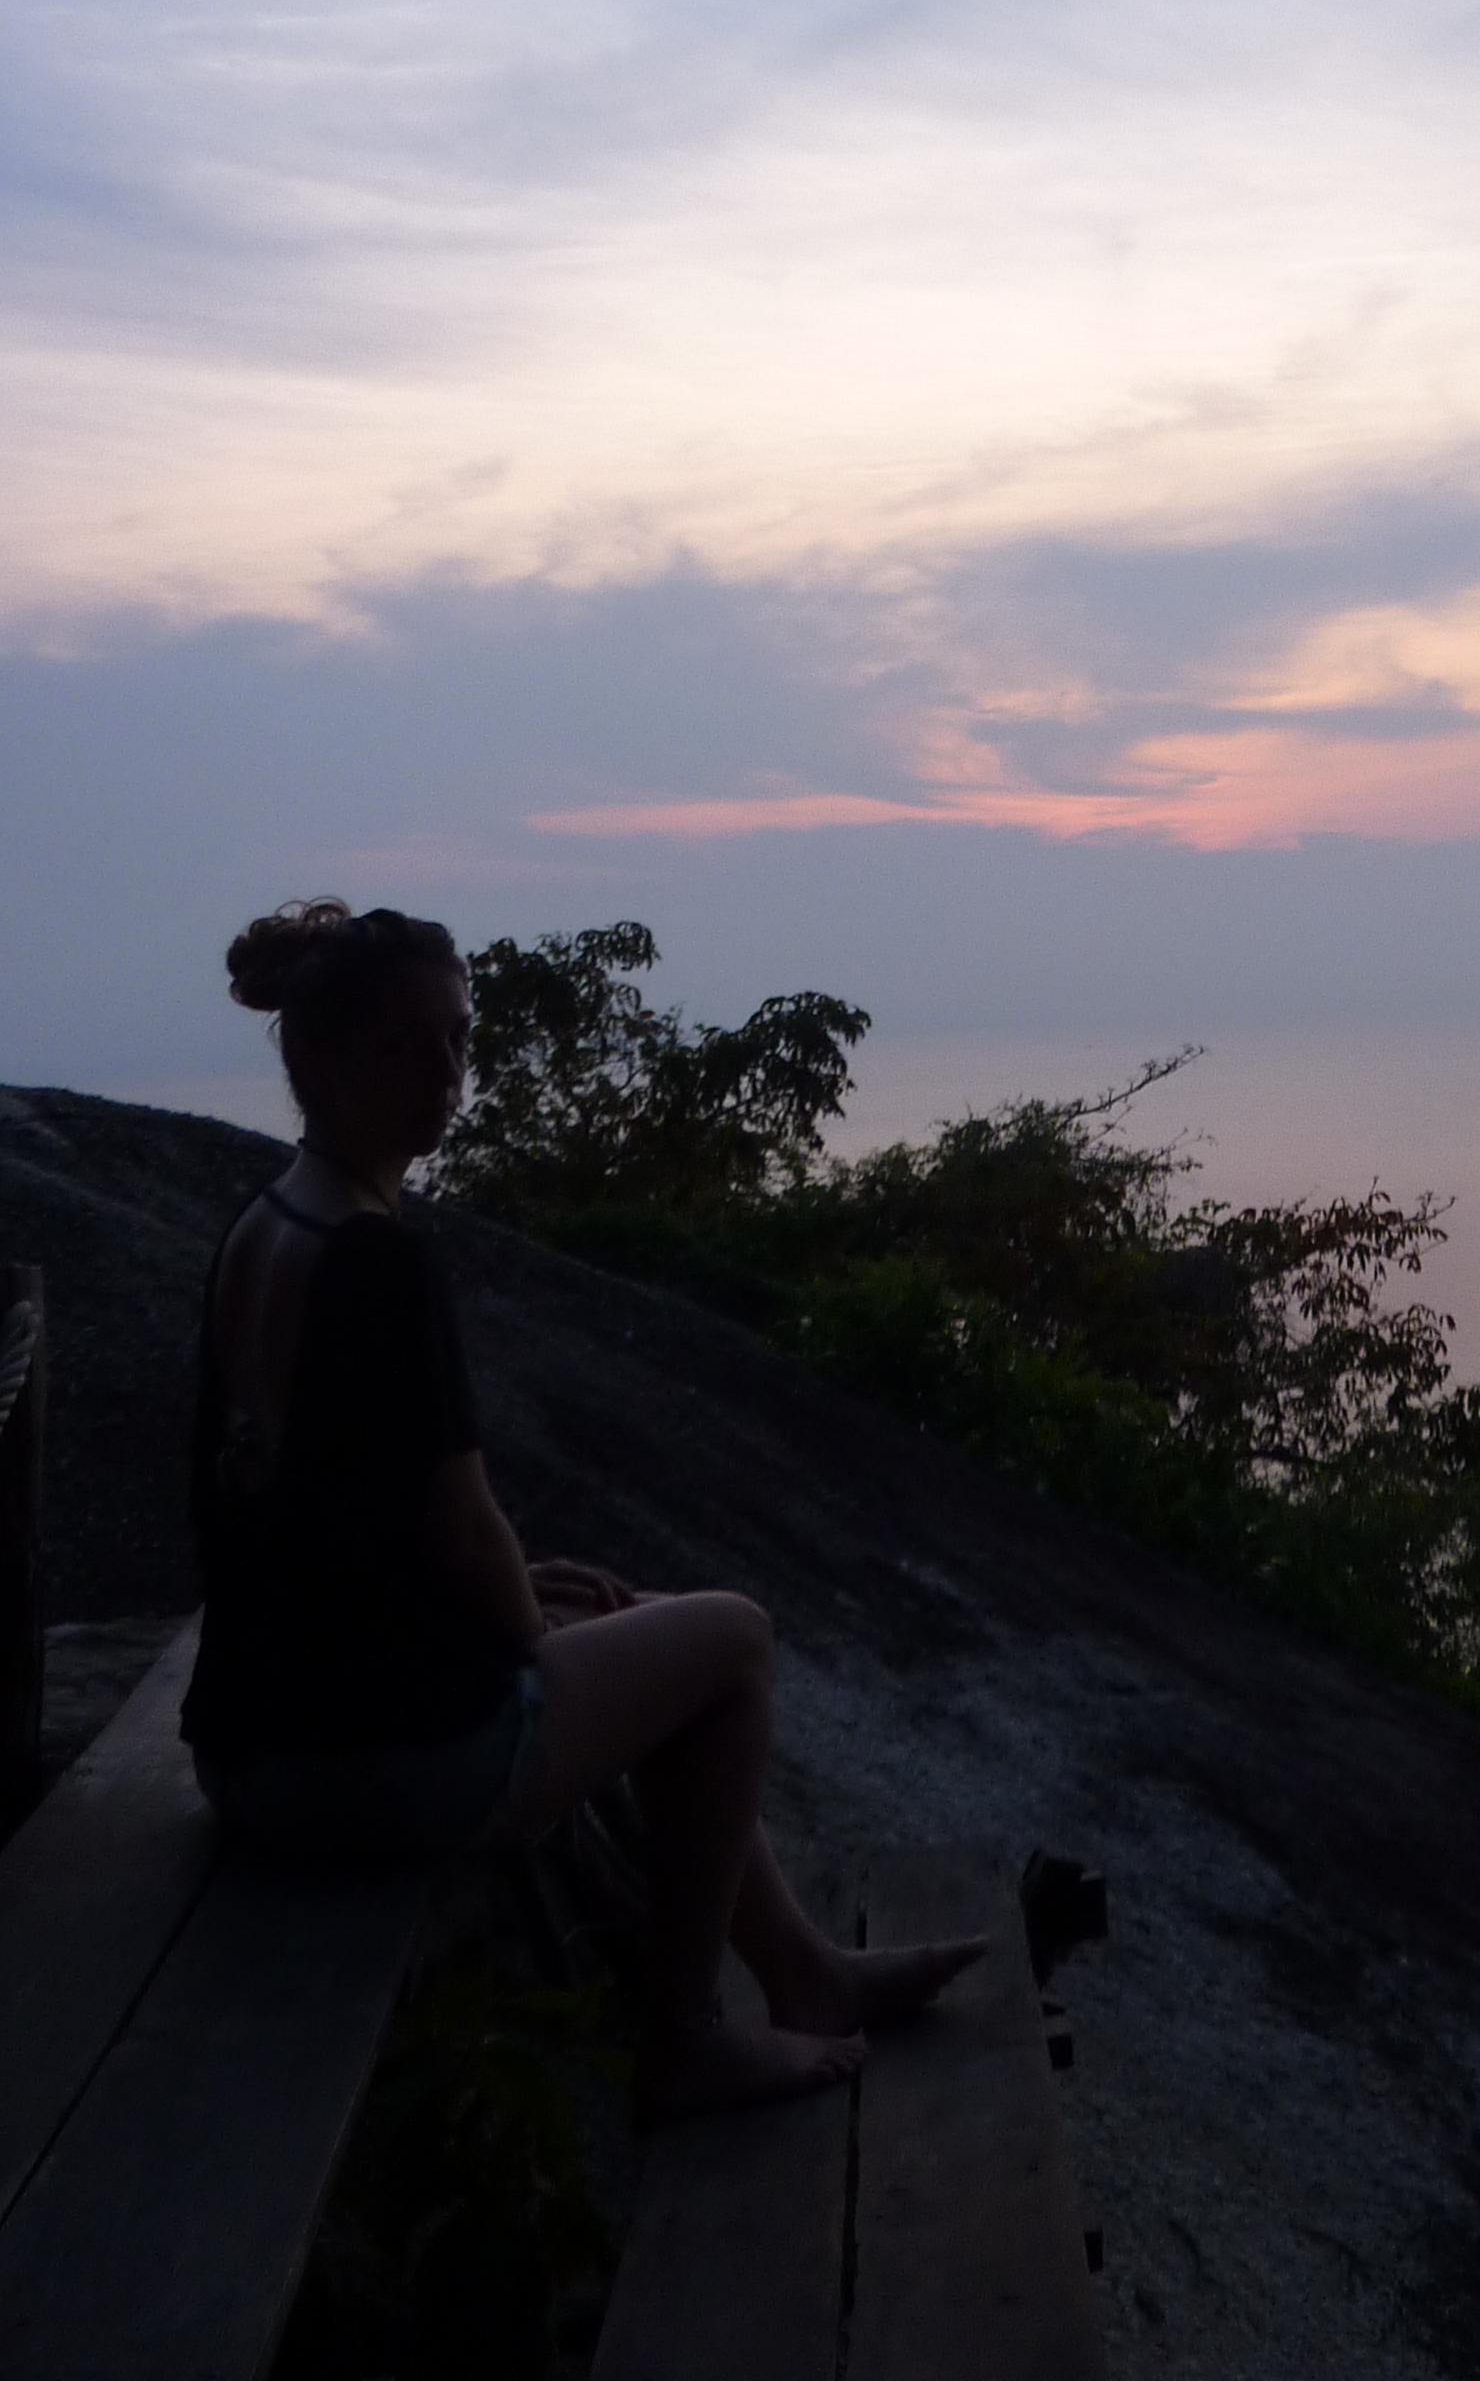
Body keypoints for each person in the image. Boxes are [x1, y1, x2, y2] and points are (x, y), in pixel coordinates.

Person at [184, 896, 980, 2118]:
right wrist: (522, 1631)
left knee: (638, 1619)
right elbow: (465, 1529)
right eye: (406, 1047)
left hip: (251, 1748)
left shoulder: (267, 1222)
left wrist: (521, 1604)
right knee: (736, 1640)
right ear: (319, 1063)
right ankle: (686, 2037)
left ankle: (806, 1972)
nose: (445, 1075)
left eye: (459, 1039)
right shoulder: (376, 1261)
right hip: (368, 1771)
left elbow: (330, 1522)